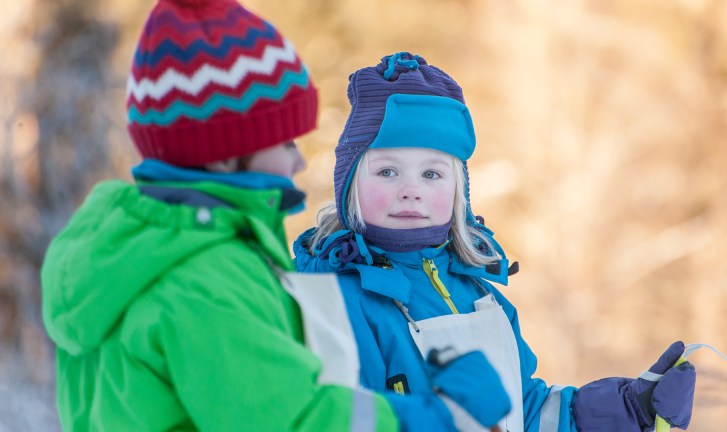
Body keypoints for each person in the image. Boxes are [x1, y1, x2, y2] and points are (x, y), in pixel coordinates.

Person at [40, 2, 512, 431]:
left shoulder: (134, 253)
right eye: (284, 143)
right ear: (225, 154)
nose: (298, 162)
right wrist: (443, 415)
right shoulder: (203, 277)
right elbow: (295, 420)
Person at [293, 52, 697, 431]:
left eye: (431, 174)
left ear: (458, 193)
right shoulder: (333, 300)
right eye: (387, 172)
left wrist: (627, 409)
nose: (410, 190)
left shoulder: (481, 295)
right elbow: (334, 418)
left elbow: (526, 410)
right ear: (348, 187)